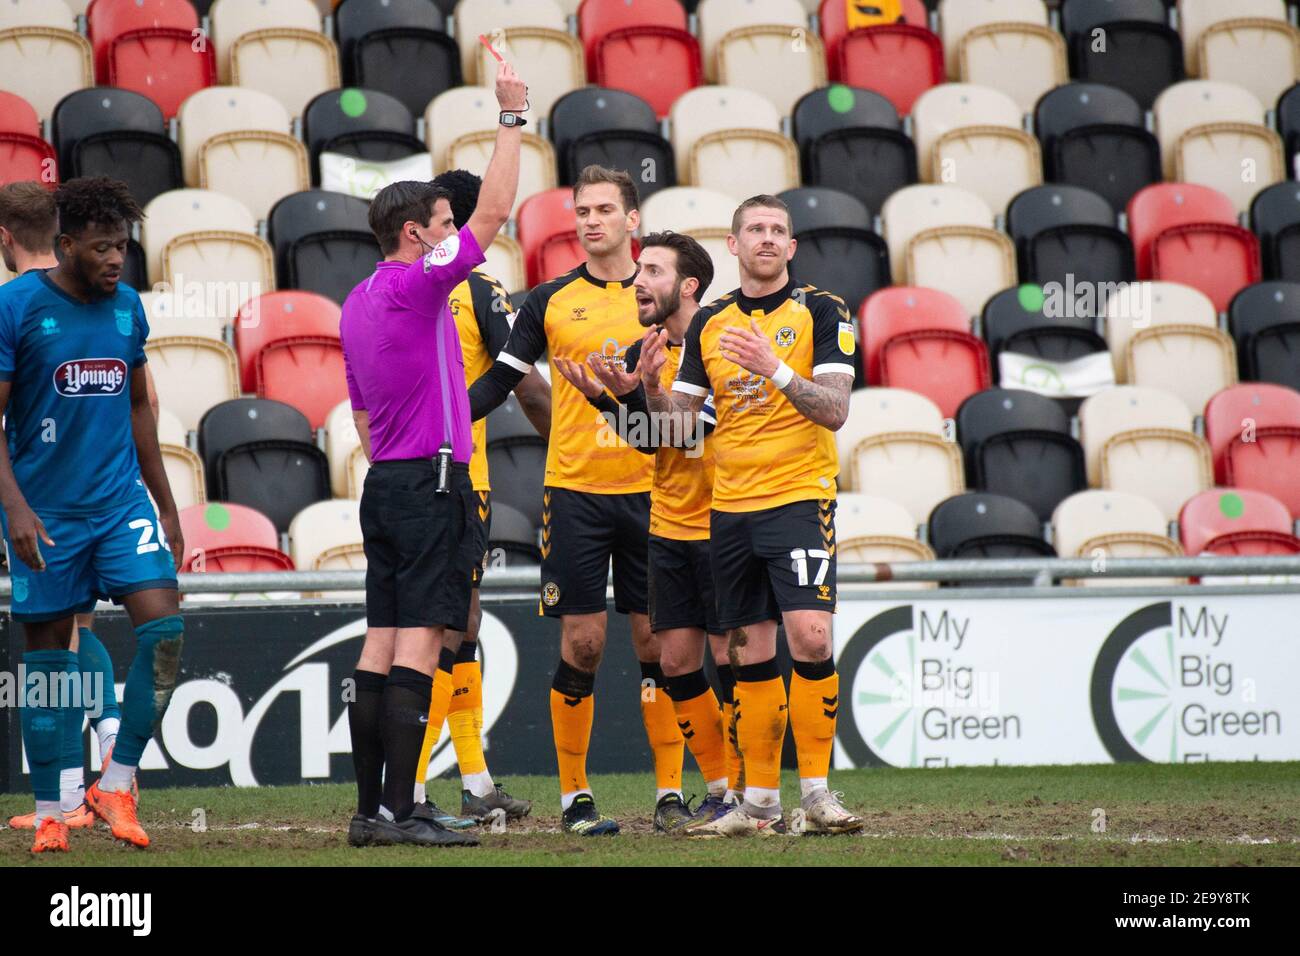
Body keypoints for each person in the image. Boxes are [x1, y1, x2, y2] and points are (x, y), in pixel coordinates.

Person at [340, 59, 527, 849]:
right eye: (439, 228)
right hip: (430, 484)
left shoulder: (354, 302)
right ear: (414, 235)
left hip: (386, 482)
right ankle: (402, 809)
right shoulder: (418, 286)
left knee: (379, 642)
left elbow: (358, 413)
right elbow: (493, 215)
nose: (454, 238)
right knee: (420, 641)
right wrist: (512, 118)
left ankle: (369, 810)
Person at [467, 166, 683, 836]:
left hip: (658, 493)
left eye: (604, 209)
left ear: (632, 220)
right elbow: (501, 379)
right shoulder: (550, 301)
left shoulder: (672, 300)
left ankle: (671, 795)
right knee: (584, 643)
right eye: (581, 210)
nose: (590, 220)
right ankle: (575, 797)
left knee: (659, 645)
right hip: (576, 495)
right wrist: (438, 422)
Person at [641, 194, 865, 836]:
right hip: (729, 508)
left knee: (812, 638)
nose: (766, 239)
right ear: (733, 246)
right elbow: (681, 429)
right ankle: (760, 804)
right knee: (746, 655)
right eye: (754, 230)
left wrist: (774, 370)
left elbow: (834, 409)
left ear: (791, 248)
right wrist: (650, 390)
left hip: (797, 495)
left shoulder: (823, 310)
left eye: (777, 231)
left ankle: (817, 794)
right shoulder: (709, 322)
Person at [0, 177, 186, 852]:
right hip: (44, 515)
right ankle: (52, 810)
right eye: (103, 248)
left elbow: (139, 407)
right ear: (66, 245)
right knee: (47, 661)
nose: (116, 260)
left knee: (165, 633)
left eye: (124, 248)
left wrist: (165, 503)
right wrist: (14, 507)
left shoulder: (127, 308)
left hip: (118, 506)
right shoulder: (16, 307)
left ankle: (117, 781)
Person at [554, 231, 745, 832]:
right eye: (639, 270)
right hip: (670, 525)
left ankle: (750, 794)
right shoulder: (651, 347)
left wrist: (642, 392)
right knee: (677, 660)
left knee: (731, 659)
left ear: (687, 287)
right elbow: (647, 439)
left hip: (723, 524)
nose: (637, 281)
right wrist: (608, 403)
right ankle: (720, 793)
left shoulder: (718, 341)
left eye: (652, 271)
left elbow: (689, 432)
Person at [408, 168, 550, 827]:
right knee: (443, 626)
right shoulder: (475, 284)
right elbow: (523, 379)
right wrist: (573, 436)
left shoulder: (403, 286)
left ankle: (474, 779)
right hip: (458, 480)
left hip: (416, 471)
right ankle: (408, 787)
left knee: (457, 626)